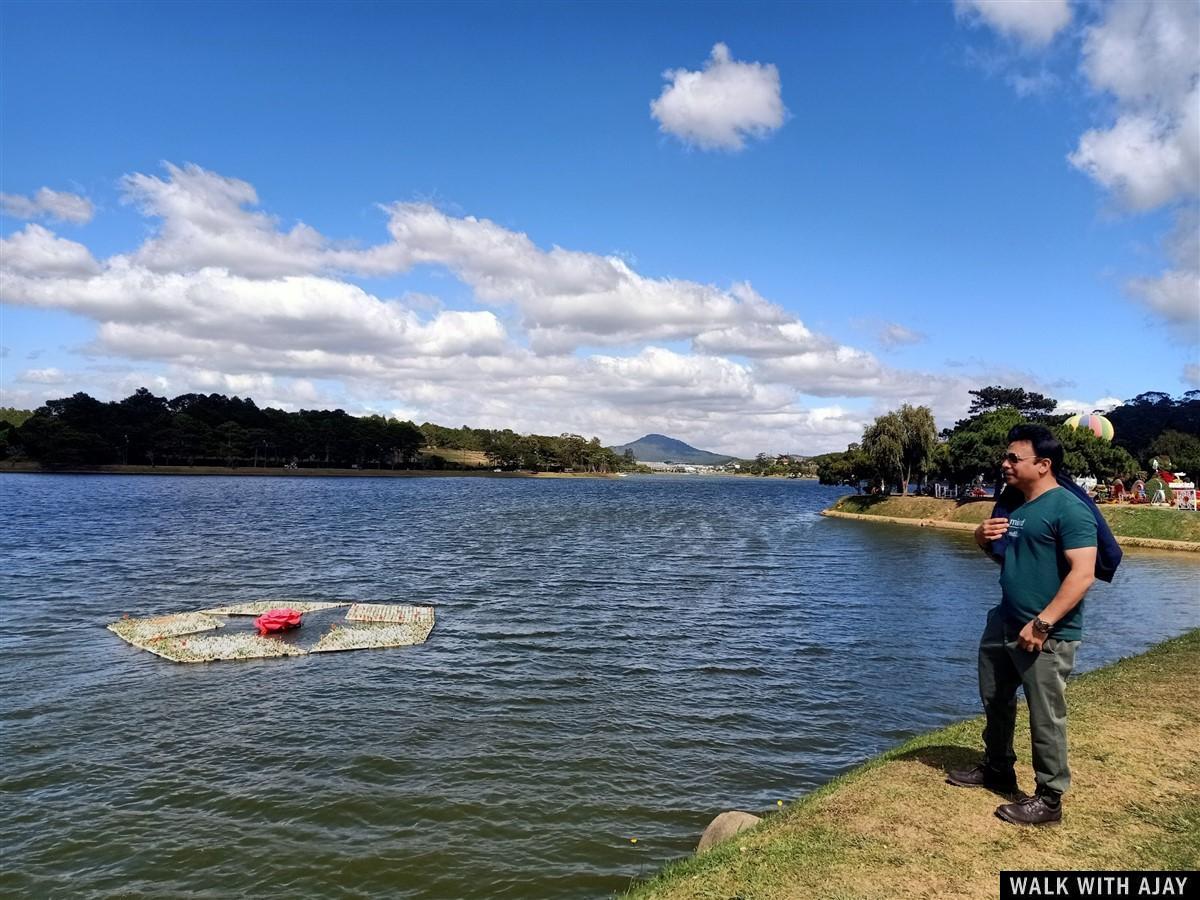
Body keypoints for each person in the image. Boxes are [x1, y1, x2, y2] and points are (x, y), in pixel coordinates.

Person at [948, 424, 1098, 826]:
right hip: (1005, 621)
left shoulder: (1069, 509)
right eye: (1006, 456)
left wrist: (1043, 623)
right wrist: (981, 539)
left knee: (1044, 714)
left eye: (1014, 458)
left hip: (1045, 633)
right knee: (994, 698)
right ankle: (998, 768)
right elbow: (1012, 562)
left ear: (1044, 464)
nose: (1005, 463)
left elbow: (1082, 575)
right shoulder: (1017, 507)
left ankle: (1049, 799)